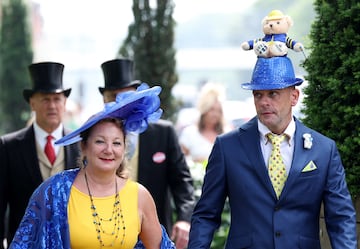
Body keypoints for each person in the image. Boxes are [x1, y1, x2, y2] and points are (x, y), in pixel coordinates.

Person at [188, 56, 357, 249]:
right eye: (258, 95)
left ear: (294, 96)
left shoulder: (323, 149)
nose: (264, 102)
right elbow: (206, 215)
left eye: (273, 93)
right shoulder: (227, 147)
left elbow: (341, 218)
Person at [9, 83, 175, 249]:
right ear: (84, 147)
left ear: (124, 148)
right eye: (100, 141)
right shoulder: (53, 191)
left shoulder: (139, 195)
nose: (109, 150)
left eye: (117, 143)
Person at [99, 58, 195, 249]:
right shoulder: (95, 137)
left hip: (154, 233)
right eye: (114, 97)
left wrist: (185, 219)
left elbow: (182, 182)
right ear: (105, 100)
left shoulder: (163, 132)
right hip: (106, 233)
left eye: (125, 96)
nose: (121, 104)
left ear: (136, 95)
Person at [0, 62, 80, 248]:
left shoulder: (80, 144)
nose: (52, 105)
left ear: (64, 103)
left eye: (56, 99)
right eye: (45, 99)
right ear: (32, 103)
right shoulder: (8, 147)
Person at [179, 82, 227, 165]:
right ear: (204, 109)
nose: (215, 114)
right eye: (212, 109)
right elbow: (180, 161)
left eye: (219, 111)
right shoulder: (189, 133)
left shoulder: (227, 133)